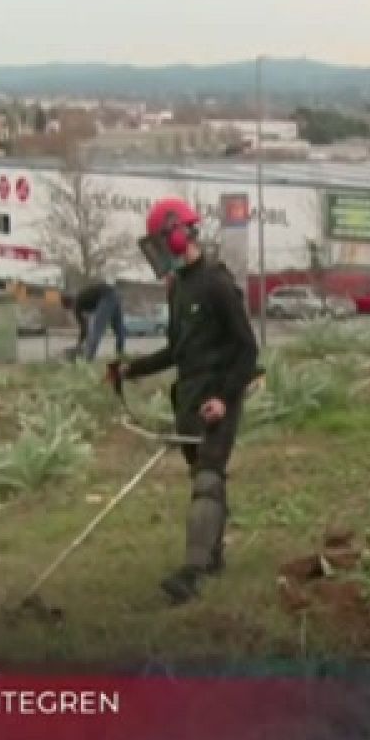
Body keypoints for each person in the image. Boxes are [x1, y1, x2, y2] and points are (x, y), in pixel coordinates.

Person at [108, 198, 260, 604]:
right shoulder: (178, 288)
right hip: (189, 400)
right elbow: (178, 350)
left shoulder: (217, 283)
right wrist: (131, 370)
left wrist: (225, 398)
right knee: (205, 479)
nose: (158, 252)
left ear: (179, 234)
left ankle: (191, 575)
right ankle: (213, 556)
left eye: (160, 241)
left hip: (218, 398)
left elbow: (247, 349)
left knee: (208, 477)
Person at [71, 281, 126, 363]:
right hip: (115, 294)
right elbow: (86, 326)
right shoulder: (82, 297)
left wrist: (79, 344)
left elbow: (84, 328)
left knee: (96, 330)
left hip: (106, 296)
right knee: (119, 329)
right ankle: (120, 356)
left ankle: (87, 360)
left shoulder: (76, 305)